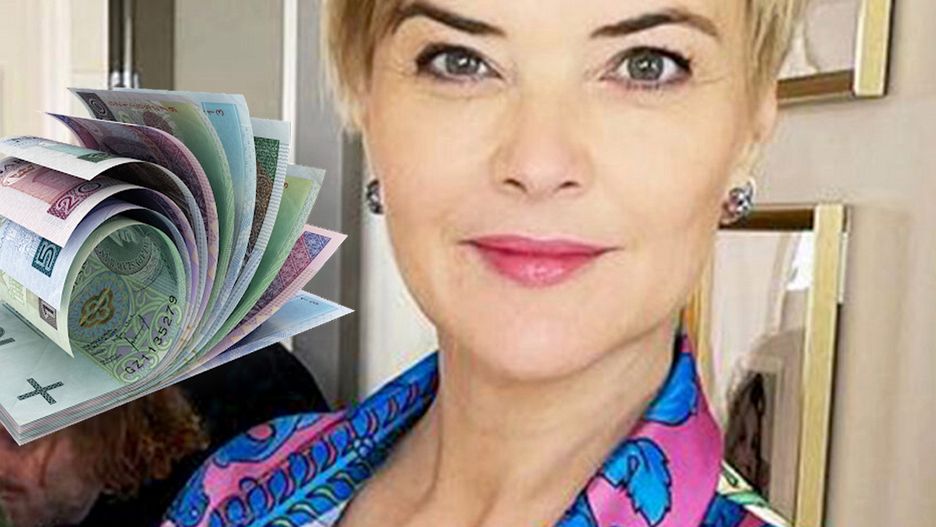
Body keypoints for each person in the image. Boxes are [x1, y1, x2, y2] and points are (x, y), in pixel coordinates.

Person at [163, 0, 808, 526]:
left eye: (647, 66)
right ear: (364, 101)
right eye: (460, 61)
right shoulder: (234, 493)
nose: (538, 164)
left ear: (750, 128)